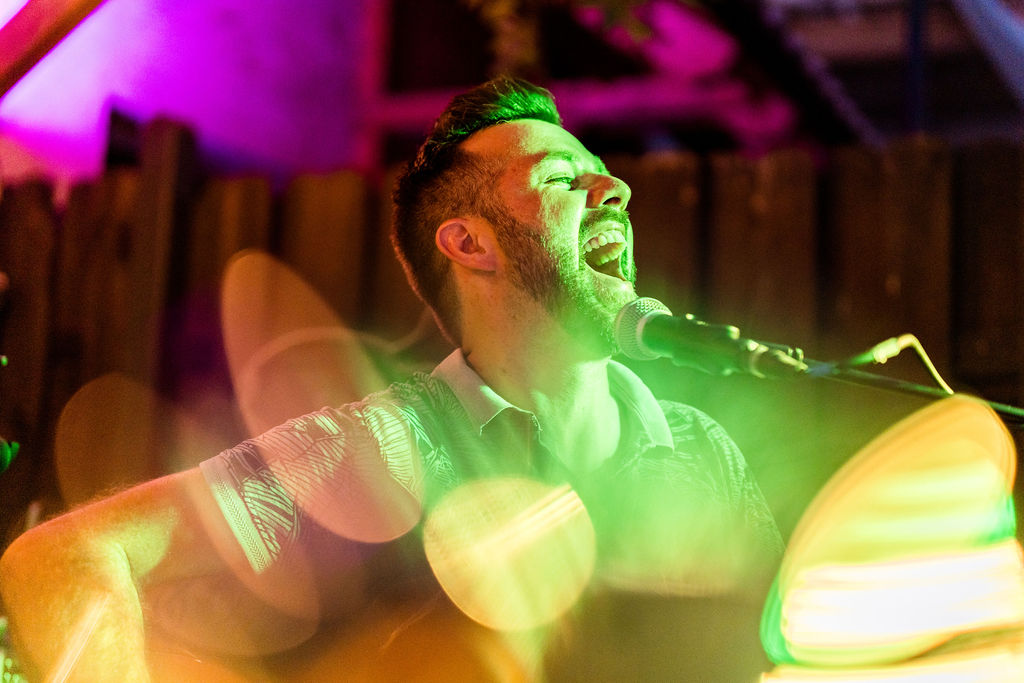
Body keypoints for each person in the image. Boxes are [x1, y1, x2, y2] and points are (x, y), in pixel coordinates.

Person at [0, 76, 783, 681]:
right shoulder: (379, 444)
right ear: (471, 244)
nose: (614, 190)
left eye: (603, 175)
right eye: (560, 179)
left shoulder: (705, 448)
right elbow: (62, 557)